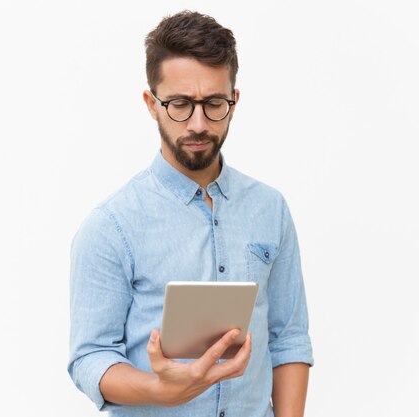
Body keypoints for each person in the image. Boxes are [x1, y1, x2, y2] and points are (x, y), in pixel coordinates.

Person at [68, 10, 314, 417]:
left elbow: (288, 339)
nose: (198, 124)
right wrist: (160, 390)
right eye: (180, 104)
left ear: (234, 102)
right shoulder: (110, 226)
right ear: (152, 104)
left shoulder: (271, 209)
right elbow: (90, 357)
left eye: (214, 103)